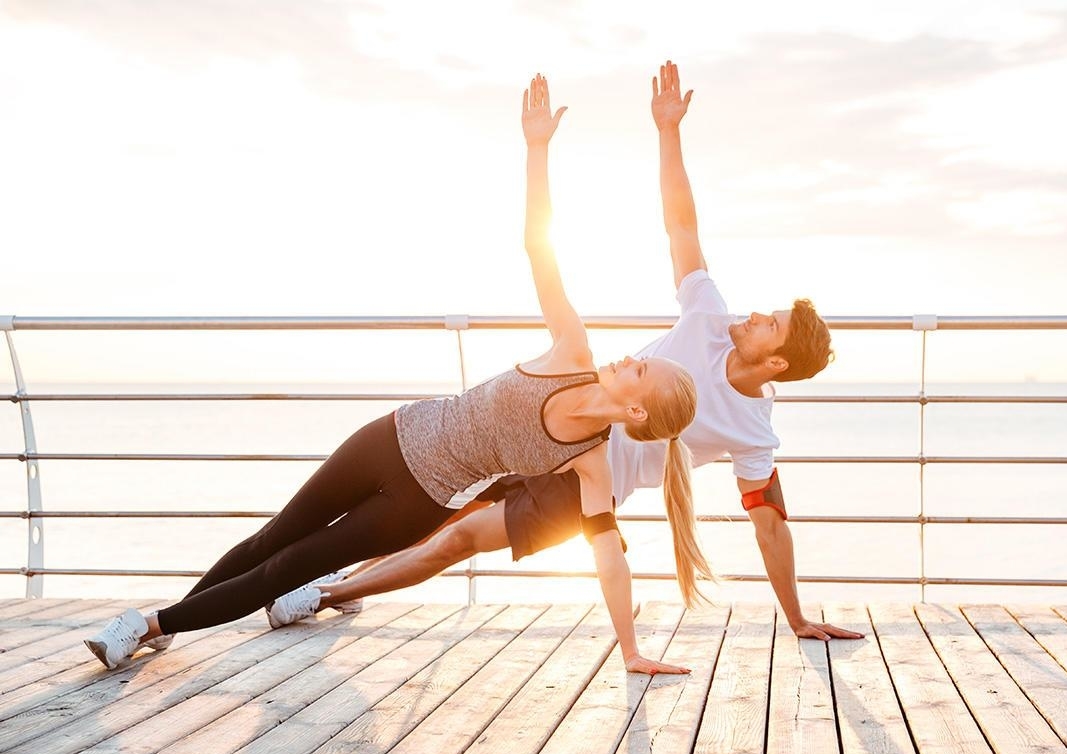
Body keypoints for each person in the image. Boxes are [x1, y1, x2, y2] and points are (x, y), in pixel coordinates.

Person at [83, 73, 705, 673]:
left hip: (416, 502)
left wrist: (629, 649)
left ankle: (148, 626)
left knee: (287, 569)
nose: (629, 356)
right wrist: (537, 147)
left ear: (637, 411)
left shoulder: (592, 463)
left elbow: (609, 559)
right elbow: (538, 247)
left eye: (641, 369)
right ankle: (172, 620)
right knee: (274, 536)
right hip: (390, 436)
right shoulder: (573, 350)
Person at [268, 61, 863, 668]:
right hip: (558, 424)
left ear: (777, 361)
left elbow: (770, 528)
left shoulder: (754, 434)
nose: (758, 315)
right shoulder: (709, 314)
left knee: (456, 540)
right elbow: (680, 223)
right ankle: (330, 576)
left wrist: (796, 619)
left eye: (772, 325)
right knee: (441, 507)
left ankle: (323, 593)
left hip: (587, 488)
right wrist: (667, 131)